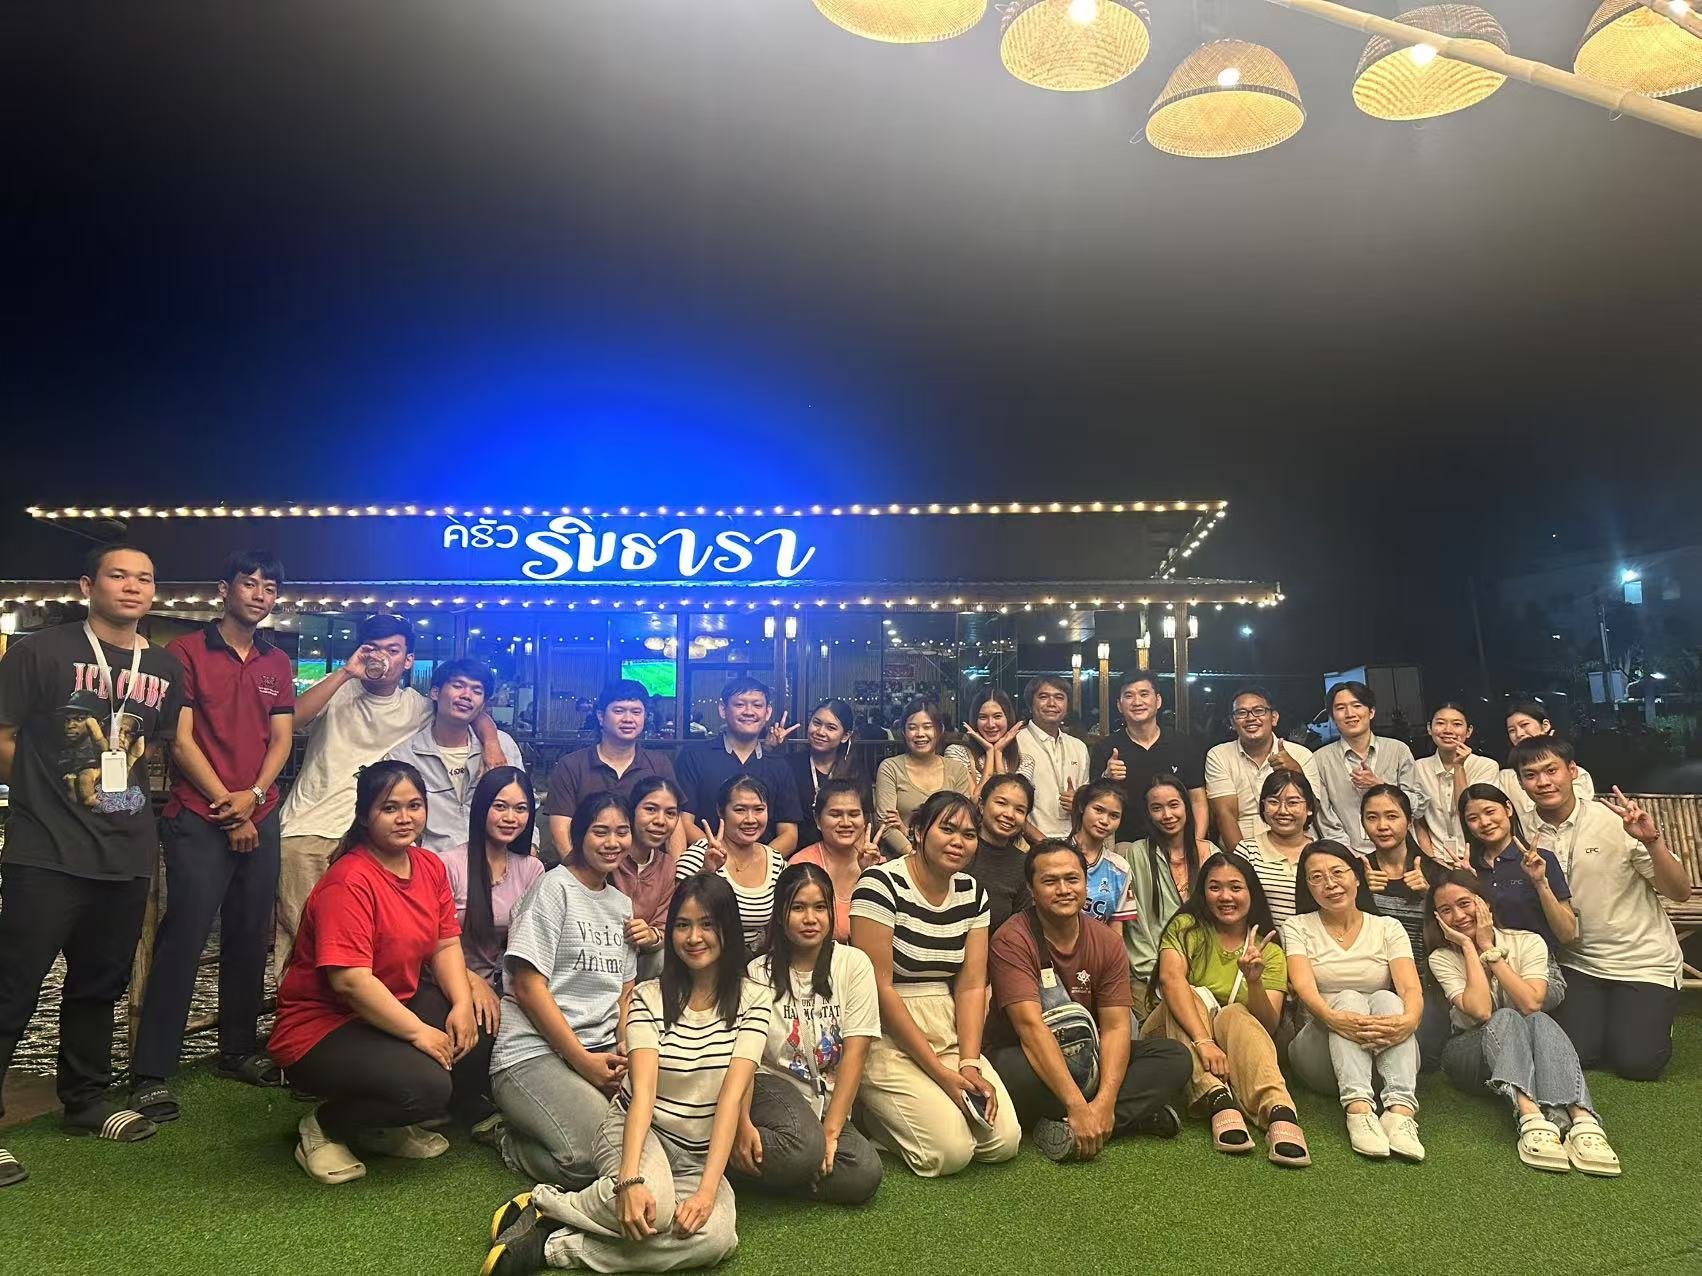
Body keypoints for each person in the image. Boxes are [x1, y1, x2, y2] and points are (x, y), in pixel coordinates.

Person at [0, 544, 184, 1180]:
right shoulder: (39, 653)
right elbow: (3, 737)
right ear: (87, 584)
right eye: (118, 575)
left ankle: (84, 1101)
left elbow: (149, 748)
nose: (133, 586)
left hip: (126, 851)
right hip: (45, 849)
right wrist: (46, 788)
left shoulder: (163, 667)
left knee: (99, 986)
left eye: (145, 578)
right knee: (14, 986)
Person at [481, 875, 769, 1275]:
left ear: (728, 929)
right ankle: (553, 1203)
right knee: (655, 1206)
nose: (693, 937)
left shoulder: (755, 1000)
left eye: (707, 924)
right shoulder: (648, 998)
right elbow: (643, 1094)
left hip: (697, 1154)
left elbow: (731, 1098)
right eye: (682, 925)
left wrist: (706, 1192)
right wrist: (630, 1178)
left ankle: (552, 1237)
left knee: (717, 1237)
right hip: (640, 1132)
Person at [131, 550, 294, 1124]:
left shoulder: (278, 660)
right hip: (200, 815)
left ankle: (237, 1051)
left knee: (250, 937)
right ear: (224, 589)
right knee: (184, 936)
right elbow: (179, 741)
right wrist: (231, 805)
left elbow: (281, 739)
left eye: (269, 588)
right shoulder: (184, 652)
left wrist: (255, 795)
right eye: (250, 584)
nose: (259, 595)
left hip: (260, 811)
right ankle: (151, 1071)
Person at [269, 761, 487, 1185]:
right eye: (390, 808)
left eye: (414, 806)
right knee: (426, 1088)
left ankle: (380, 1126)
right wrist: (420, 1033)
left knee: (479, 1028)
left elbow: (444, 944)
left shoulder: (429, 866)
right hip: (323, 1026)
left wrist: (462, 1003)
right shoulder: (349, 881)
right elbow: (350, 982)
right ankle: (325, 1126)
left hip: (392, 1003)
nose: (405, 818)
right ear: (366, 816)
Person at [850, 791, 1022, 1176]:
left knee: (1002, 1142)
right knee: (951, 1152)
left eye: (969, 834)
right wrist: (941, 1074)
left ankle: (922, 1105)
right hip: (886, 1032)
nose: (958, 841)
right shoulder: (879, 884)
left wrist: (969, 1064)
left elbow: (971, 985)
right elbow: (879, 987)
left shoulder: (973, 893)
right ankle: (873, 1119)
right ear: (918, 831)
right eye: (947, 829)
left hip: (946, 1024)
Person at [987, 840, 1191, 1161]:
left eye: (1072, 879)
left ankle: (1080, 1125)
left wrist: (1105, 1103)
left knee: (1174, 1057)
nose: (1063, 890)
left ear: (1086, 883)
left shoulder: (1107, 941)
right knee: (1009, 1071)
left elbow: (1115, 1027)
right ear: (1031, 888)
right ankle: (1126, 1117)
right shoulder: (1012, 939)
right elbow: (1030, 1029)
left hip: (1086, 1056)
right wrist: (1076, 1104)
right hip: (1027, 1055)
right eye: (1050, 881)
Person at [1509, 736, 1691, 1080]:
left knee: (1638, 1063)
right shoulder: (1523, 830)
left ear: (1572, 771)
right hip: (1577, 962)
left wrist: (1652, 841)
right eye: (1531, 775)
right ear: (1520, 783)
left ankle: (1645, 1018)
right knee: (1579, 1053)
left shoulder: (1614, 821)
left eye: (1551, 770)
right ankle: (1611, 1021)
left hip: (1641, 960)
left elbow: (1679, 892)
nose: (1543, 782)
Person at [1423, 871, 1620, 1175]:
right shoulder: (1442, 957)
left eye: (1465, 903)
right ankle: (1531, 1118)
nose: (1458, 916)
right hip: (1469, 1053)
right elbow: (1481, 1011)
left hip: (1528, 1051)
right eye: (1446, 910)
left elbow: (1531, 1003)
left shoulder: (1527, 941)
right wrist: (1469, 947)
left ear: (1485, 903)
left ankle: (1583, 1120)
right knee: (1504, 1016)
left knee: (1538, 1017)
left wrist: (1491, 951)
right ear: (1437, 918)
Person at [489, 792, 639, 1189]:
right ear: (578, 834)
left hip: (599, 1051)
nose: (612, 842)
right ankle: (506, 1138)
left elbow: (624, 992)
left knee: (651, 1138)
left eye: (622, 832)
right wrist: (583, 1061)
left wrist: (624, 1044)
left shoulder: (622, 904)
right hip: (533, 1053)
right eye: (600, 832)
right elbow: (527, 986)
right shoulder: (552, 889)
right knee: (589, 1160)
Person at [274, 614, 432, 983]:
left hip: (374, 833)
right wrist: (346, 672)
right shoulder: (337, 689)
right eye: (374, 648)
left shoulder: (419, 707)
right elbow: (290, 720)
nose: (383, 657)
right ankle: (298, 1009)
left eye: (393, 650)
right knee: (301, 931)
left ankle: (359, 1010)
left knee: (370, 934)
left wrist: (490, 739)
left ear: (409, 660)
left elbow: (468, 711)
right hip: (310, 826)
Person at [1140, 851, 1309, 1167]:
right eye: (1215, 887)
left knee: (1236, 1013)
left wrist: (1254, 982)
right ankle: (1217, 1098)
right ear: (1203, 893)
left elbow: (1267, 1025)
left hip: (1231, 1045)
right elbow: (1170, 980)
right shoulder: (1187, 928)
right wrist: (1204, 1041)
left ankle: (1279, 1110)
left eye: (1235, 887)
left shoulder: (1269, 951)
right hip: (1171, 1037)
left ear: (1251, 893)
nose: (1225, 896)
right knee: (1186, 993)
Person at [730, 863, 883, 1203]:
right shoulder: (759, 971)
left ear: (831, 912)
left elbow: (856, 1052)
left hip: (825, 1102)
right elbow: (745, 1059)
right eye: (798, 908)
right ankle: (749, 1153)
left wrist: (831, 1132)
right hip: (772, 1089)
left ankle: (770, 1170)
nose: (810, 919)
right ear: (781, 916)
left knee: (864, 1173)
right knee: (804, 1147)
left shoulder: (853, 964)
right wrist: (741, 1126)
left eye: (819, 907)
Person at [1283, 841, 1425, 1161]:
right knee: (1348, 997)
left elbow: (1410, 989)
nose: (1330, 884)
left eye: (1338, 872)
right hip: (1321, 1056)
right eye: (1316, 877)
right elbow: (1304, 988)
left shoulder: (1388, 927)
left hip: (1383, 1058)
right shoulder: (1297, 926)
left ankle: (1400, 1113)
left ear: (1357, 877)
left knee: (1388, 998)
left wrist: (1409, 1021)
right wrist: (1334, 1018)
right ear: (1307, 886)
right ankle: (1358, 1110)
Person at [1359, 784, 1451, 1070]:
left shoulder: (1433, 872)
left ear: (1409, 821)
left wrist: (1431, 894)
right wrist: (1360, 893)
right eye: (1372, 817)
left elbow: (1459, 930)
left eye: (1392, 816)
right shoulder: (1354, 872)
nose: (1382, 826)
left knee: (1426, 1056)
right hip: (1373, 983)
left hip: (1426, 983)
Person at [386, 658, 520, 853]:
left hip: (495, 858)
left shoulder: (503, 746)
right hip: (434, 862)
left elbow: (524, 803)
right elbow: (395, 819)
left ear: (483, 704)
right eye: (458, 686)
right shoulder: (404, 757)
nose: (467, 696)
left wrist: (530, 847)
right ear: (435, 693)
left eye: (477, 691)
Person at [437, 767, 546, 1005]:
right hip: (448, 984)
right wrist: (472, 983)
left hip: (507, 989)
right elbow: (431, 945)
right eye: (500, 806)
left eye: (521, 809)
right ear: (481, 808)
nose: (510, 818)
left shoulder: (531, 869)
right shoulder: (448, 865)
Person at [545, 680, 680, 860]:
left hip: (647, 870)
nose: (628, 719)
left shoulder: (660, 764)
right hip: (588, 868)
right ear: (601, 717)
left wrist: (678, 872)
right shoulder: (571, 765)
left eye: (636, 712)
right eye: (619, 711)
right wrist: (578, 873)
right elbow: (561, 830)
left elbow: (674, 823)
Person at [674, 677, 802, 855]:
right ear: (723, 709)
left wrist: (758, 862)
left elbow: (789, 834)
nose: (749, 711)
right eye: (740, 704)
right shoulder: (693, 757)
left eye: (757, 705)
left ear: (767, 712)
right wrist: (722, 857)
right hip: (708, 863)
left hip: (763, 867)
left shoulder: (780, 766)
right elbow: (684, 822)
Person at [1121, 774, 1214, 1012]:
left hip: (1204, 970)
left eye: (1174, 805)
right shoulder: (1138, 853)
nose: (1167, 815)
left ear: (1186, 806)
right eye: (1157, 808)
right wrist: (1160, 973)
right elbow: (1136, 923)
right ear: (1148, 813)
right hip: (1151, 972)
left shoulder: (1209, 853)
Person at [674, 775, 788, 954]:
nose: (750, 819)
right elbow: (677, 919)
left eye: (759, 809)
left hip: (757, 959)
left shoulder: (775, 861)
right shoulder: (698, 856)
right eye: (740, 810)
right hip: (707, 956)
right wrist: (706, 873)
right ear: (721, 812)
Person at [1458, 782, 1577, 953]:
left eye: (1490, 812)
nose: (1484, 822)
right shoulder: (1468, 868)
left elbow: (1567, 934)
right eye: (1473, 818)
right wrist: (1467, 886)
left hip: (1537, 960)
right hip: (1487, 958)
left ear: (1508, 809)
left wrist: (1540, 883)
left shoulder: (1541, 860)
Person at [1310, 681, 1427, 856]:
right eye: (1340, 708)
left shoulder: (1398, 750)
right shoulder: (1320, 759)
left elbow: (1419, 806)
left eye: (1357, 705)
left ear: (1371, 712)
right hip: (1349, 855)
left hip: (1400, 853)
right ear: (1333, 717)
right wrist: (1348, 856)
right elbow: (1325, 817)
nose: (1350, 714)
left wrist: (1381, 786)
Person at [1088, 672, 1208, 841]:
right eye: (1129, 696)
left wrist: (1198, 842)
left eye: (1144, 694)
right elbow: (1094, 805)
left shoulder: (1183, 744)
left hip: (1177, 842)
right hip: (1124, 845)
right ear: (1119, 705)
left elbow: (1197, 800)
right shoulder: (1106, 748)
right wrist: (1106, 778)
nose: (1137, 702)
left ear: (1158, 701)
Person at [1204, 686, 1316, 848]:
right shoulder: (1219, 755)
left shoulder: (1300, 754)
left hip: (1296, 843)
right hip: (1242, 844)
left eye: (1258, 711)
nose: (1250, 718)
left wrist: (1296, 772)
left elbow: (1313, 810)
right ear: (1232, 723)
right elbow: (1225, 814)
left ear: (1274, 718)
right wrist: (1243, 859)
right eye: (1241, 713)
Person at [872, 699, 974, 858]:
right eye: (912, 728)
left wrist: (906, 831)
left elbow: (961, 823)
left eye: (927, 727)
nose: (920, 734)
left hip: (946, 858)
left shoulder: (956, 770)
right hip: (902, 859)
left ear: (940, 730)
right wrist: (916, 857)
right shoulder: (890, 768)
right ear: (904, 732)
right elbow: (887, 826)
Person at [790, 779, 886, 942]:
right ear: (818, 820)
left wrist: (870, 875)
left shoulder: (879, 865)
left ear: (864, 820)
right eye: (835, 815)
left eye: (854, 814)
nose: (846, 823)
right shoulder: (801, 865)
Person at [615, 776, 685, 980]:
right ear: (632, 811)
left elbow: (663, 926)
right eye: (651, 809)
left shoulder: (667, 865)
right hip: (599, 953)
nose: (660, 821)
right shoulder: (610, 854)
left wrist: (651, 936)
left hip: (641, 961)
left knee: (666, 956)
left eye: (670, 813)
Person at [771, 698, 864, 851]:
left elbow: (862, 823)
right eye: (816, 723)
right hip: (796, 854)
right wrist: (770, 749)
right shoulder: (790, 765)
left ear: (845, 736)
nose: (820, 732)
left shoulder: (855, 771)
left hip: (841, 854)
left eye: (831, 728)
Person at [1234, 769, 1318, 927]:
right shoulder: (1247, 851)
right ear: (1263, 806)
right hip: (1264, 940)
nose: (1283, 811)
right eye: (1273, 802)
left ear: (1309, 807)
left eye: (1293, 803)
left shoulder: (1323, 853)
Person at [1414, 701, 1497, 861]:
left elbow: (1470, 810)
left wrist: (1459, 767)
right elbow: (1418, 820)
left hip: (1478, 857)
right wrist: (1431, 859)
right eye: (1440, 723)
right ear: (1429, 728)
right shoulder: (1418, 767)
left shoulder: (1486, 766)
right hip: (1436, 858)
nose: (1448, 730)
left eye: (1457, 724)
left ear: (1468, 731)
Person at [1016, 674, 1090, 842]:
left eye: (1059, 697)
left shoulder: (1078, 747)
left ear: (1067, 705)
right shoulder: (1016, 742)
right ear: (1030, 704)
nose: (1051, 703)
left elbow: (1086, 799)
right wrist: (1042, 842)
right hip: (1027, 843)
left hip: (1074, 841)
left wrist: (1079, 802)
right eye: (1043, 697)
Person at [1498, 701, 1595, 828]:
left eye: (1524, 725)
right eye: (1512, 730)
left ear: (1545, 725)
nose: (1519, 734)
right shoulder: (1505, 777)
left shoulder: (1574, 773)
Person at [1068, 779, 1137, 929]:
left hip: (1099, 943)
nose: (1105, 821)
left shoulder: (1120, 868)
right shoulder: (1054, 855)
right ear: (1082, 806)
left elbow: (1116, 928)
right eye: (1098, 810)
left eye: (1114, 816)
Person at [972, 773, 1034, 935]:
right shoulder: (959, 848)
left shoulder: (1023, 865)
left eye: (1019, 810)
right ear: (981, 805)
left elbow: (1020, 925)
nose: (1009, 814)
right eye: (1001, 803)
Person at [945, 687, 1033, 793]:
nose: (990, 724)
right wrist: (990, 752)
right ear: (975, 720)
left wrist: (998, 753)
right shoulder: (957, 752)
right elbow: (974, 800)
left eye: (997, 716)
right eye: (983, 717)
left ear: (1008, 719)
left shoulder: (1024, 761)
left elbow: (1010, 797)